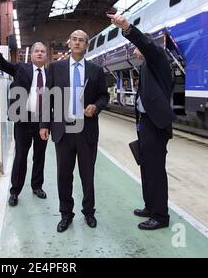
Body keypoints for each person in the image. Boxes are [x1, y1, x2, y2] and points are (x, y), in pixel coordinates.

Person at [107, 13, 174, 230]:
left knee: (155, 170)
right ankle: (150, 206)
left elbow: (145, 44)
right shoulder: (145, 67)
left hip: (156, 125)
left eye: (138, 47)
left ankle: (160, 216)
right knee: (146, 167)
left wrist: (126, 27)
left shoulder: (157, 59)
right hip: (145, 123)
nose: (135, 51)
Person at [40, 30, 109, 232]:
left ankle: (88, 212)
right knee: (64, 175)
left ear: (87, 45)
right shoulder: (55, 68)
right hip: (63, 129)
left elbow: (104, 96)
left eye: (82, 40)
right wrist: (44, 124)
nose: (78, 43)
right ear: (69, 43)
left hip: (87, 130)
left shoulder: (96, 70)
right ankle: (65, 214)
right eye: (75, 40)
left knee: (87, 175)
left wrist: (96, 107)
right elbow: (48, 98)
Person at [0, 35, 49, 207]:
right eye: (37, 51)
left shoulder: (51, 74)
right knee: (20, 157)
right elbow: (3, 65)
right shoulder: (21, 68)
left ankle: (37, 186)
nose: (40, 53)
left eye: (43, 51)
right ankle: (15, 191)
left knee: (39, 156)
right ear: (32, 54)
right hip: (23, 120)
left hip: (42, 121)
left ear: (46, 56)